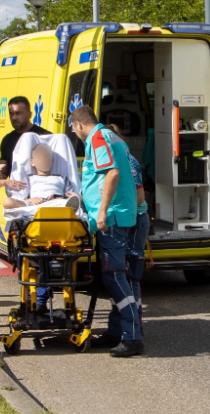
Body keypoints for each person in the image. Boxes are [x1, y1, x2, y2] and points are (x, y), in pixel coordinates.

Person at [69, 105, 141, 357]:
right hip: (120, 214)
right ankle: (116, 331)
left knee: (115, 276)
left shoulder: (97, 138)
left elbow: (112, 172)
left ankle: (132, 335)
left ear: (78, 125)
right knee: (117, 275)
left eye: (73, 128)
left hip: (111, 218)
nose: (75, 132)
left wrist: (101, 211)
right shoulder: (111, 136)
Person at [108, 123, 150, 339]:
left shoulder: (129, 161)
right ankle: (119, 328)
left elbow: (139, 198)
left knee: (130, 276)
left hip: (133, 220)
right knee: (122, 276)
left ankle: (134, 327)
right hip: (126, 219)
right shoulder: (119, 159)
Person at [0, 96, 50, 183]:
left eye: (18, 113)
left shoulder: (44, 137)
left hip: (40, 191)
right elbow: (3, 171)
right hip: (17, 192)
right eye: (11, 114)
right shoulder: (7, 140)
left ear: (29, 115)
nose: (14, 118)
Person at [0, 143, 80, 211]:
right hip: (35, 206)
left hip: (56, 203)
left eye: (46, 157)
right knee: (8, 202)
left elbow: (72, 197)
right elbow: (21, 196)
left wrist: (59, 198)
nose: (43, 160)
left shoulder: (62, 178)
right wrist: (30, 200)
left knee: (72, 201)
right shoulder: (29, 179)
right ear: (32, 162)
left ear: (52, 161)